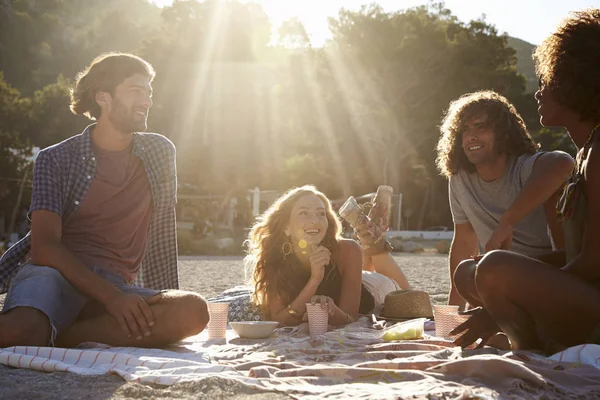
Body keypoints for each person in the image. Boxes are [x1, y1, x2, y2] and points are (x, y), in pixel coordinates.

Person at [0, 53, 209, 348]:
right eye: (136, 91)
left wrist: (150, 297)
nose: (147, 101)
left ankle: (62, 335)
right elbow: (44, 247)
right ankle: (51, 329)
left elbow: (161, 231)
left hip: (117, 285)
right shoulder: (54, 158)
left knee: (192, 312)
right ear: (103, 98)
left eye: (148, 92)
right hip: (56, 277)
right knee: (20, 331)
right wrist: (112, 298)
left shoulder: (160, 152)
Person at [452, 9, 600, 353]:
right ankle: (535, 340)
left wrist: (501, 297)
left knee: (493, 268)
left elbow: (595, 262)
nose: (538, 92)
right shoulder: (586, 153)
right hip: (585, 293)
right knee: (469, 272)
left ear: (578, 81)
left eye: (549, 81)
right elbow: (574, 255)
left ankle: (530, 349)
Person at [435, 90, 574, 310]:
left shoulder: (523, 167)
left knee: (489, 268)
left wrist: (506, 223)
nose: (471, 136)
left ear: (502, 132)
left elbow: (562, 162)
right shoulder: (459, 177)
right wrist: (454, 307)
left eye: (480, 127)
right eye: (464, 129)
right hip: (496, 275)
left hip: (545, 272)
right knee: (466, 272)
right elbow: (463, 238)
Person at [246, 185, 407, 326]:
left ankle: (373, 237)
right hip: (352, 277)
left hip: (373, 288)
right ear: (286, 227)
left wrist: (332, 311)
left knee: (408, 296)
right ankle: (370, 228)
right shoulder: (274, 258)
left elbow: (351, 318)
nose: (315, 220)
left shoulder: (348, 250)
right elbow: (279, 321)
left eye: (321, 213)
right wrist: (314, 281)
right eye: (303, 213)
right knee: (358, 268)